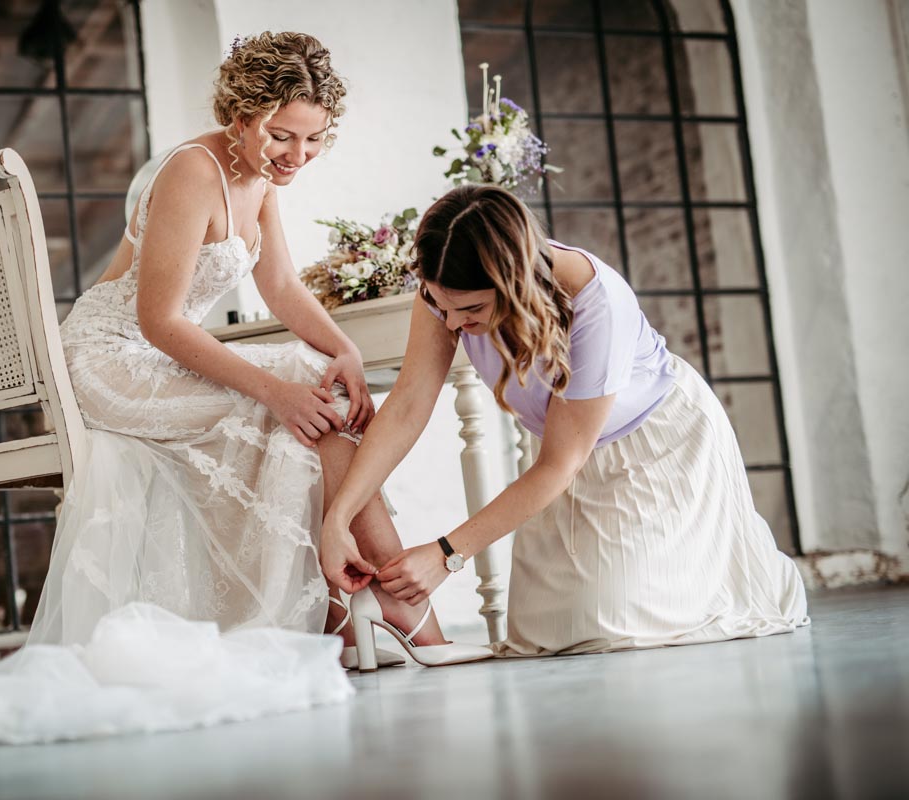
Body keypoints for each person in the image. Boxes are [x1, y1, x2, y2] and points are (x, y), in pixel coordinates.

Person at [0, 32, 483, 744]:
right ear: (240, 116)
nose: (297, 156)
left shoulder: (262, 178)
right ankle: (396, 611)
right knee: (293, 398)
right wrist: (274, 391)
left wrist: (344, 349)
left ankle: (357, 609)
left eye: (314, 140)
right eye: (282, 136)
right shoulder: (193, 171)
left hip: (155, 355)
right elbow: (159, 321)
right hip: (106, 361)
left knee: (312, 386)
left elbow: (280, 284)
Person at [321, 184, 809, 670]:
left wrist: (447, 554)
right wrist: (338, 519)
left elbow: (559, 463)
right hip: (565, 459)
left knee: (611, 624)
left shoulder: (596, 302)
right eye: (439, 305)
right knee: (554, 633)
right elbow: (407, 406)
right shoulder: (447, 288)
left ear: (516, 284)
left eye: (471, 311)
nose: (450, 324)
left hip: (657, 447)